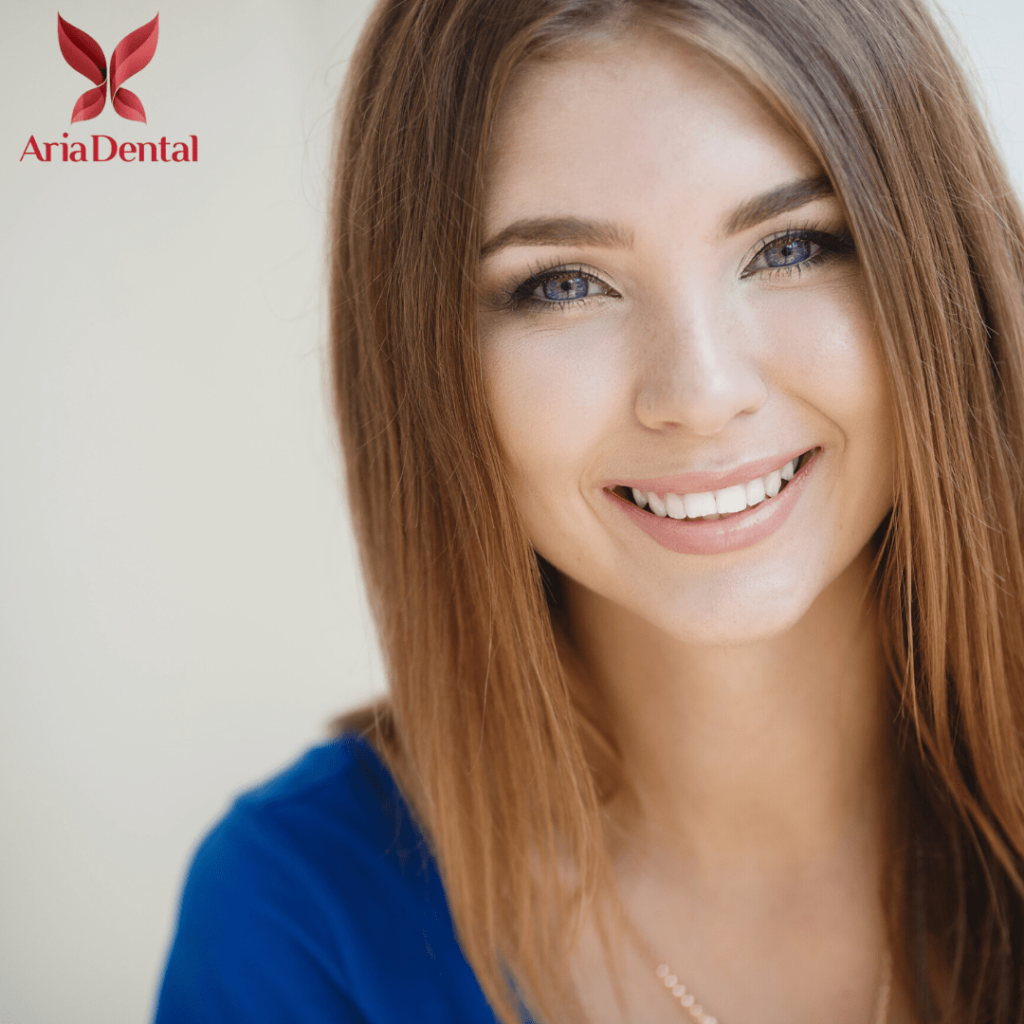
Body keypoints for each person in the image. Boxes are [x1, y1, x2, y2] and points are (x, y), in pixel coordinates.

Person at [154, 0, 1024, 1021]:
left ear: (941, 269)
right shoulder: (300, 919)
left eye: (789, 247)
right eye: (564, 284)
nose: (699, 394)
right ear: (425, 368)